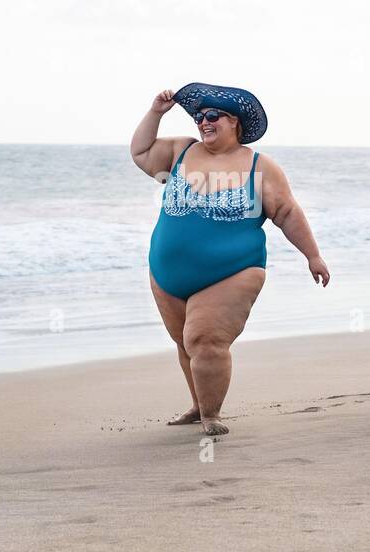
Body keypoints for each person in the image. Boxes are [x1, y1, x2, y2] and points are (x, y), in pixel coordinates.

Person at [131, 83, 330, 436]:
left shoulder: (260, 165)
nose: (203, 122)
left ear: (234, 121)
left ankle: (211, 414)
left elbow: (286, 212)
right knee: (185, 344)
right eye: (199, 117)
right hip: (166, 271)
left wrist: (312, 255)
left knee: (204, 340)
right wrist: (156, 113)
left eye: (212, 116)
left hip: (233, 270)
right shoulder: (180, 150)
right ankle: (198, 405)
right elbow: (141, 151)